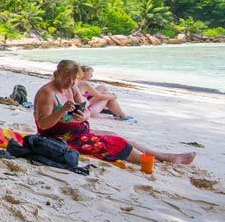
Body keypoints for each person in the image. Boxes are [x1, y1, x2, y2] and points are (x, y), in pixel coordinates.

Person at [33, 60, 196, 165]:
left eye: (74, 79)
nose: (70, 82)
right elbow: (43, 124)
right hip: (58, 138)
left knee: (114, 134)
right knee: (116, 143)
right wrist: (61, 111)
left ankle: (166, 156)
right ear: (56, 75)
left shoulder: (73, 86)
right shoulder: (48, 93)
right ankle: (154, 161)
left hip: (77, 130)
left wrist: (84, 115)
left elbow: (85, 107)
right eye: (67, 78)